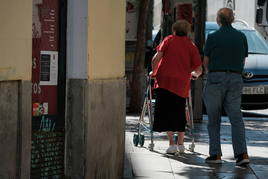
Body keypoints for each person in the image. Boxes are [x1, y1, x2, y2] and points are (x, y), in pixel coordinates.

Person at [203, 8, 249, 166]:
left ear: (219, 20)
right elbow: (243, 60)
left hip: (216, 77)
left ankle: (215, 155)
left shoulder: (213, 36)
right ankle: (242, 154)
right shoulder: (241, 36)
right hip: (236, 77)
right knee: (236, 118)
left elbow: (206, 61)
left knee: (213, 119)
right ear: (233, 19)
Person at [151, 20, 202, 154]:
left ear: (174, 30)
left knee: (166, 111)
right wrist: (194, 74)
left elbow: (156, 58)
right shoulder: (191, 46)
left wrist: (154, 72)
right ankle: (181, 143)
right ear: (188, 32)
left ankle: (171, 144)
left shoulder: (168, 40)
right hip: (181, 84)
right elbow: (199, 68)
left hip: (164, 81)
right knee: (180, 111)